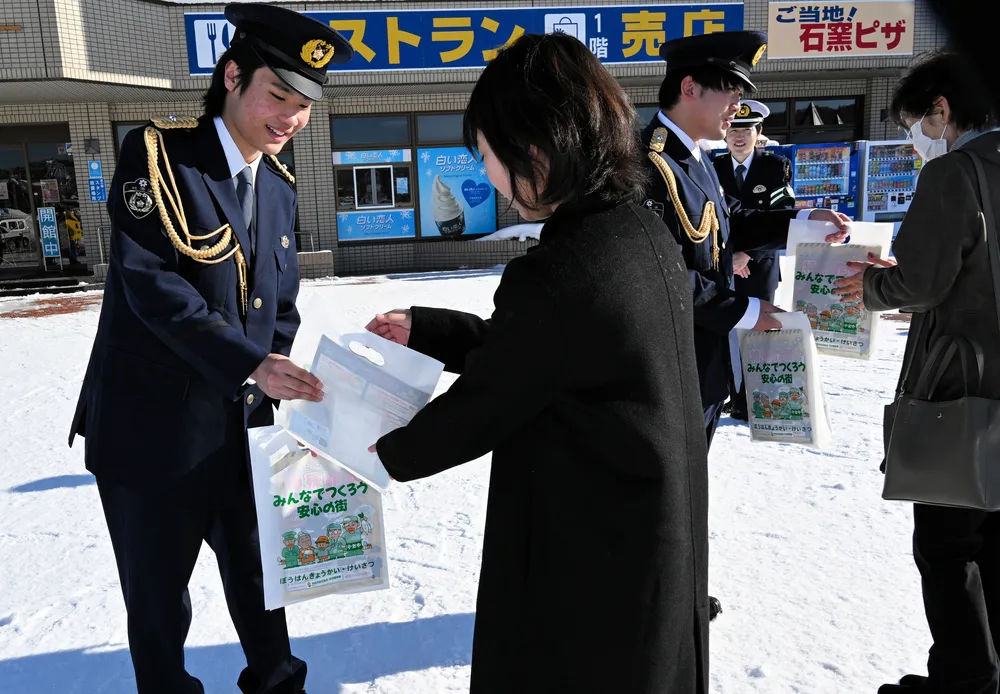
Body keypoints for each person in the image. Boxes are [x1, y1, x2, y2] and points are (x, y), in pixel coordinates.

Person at [367, 32, 711, 694]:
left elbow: (492, 399)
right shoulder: (639, 232)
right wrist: (430, 329)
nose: (488, 176)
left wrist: (376, 452)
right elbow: (546, 356)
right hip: (650, 541)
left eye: (488, 156)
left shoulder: (561, 272)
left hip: (590, 563)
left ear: (534, 152)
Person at [67, 4, 353, 693]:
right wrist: (250, 362)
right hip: (151, 435)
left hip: (242, 433)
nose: (290, 118)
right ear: (232, 76)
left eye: (305, 105)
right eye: (278, 95)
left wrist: (279, 370)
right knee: (160, 607)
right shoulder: (160, 155)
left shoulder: (278, 189)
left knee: (264, 587)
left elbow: (277, 305)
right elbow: (151, 283)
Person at [638, 30, 849, 622]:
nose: (739, 111)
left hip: (699, 362)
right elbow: (662, 279)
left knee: (686, 483)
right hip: (669, 360)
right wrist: (755, 312)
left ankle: (675, 587)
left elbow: (733, 223)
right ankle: (659, 596)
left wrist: (805, 221)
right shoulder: (648, 164)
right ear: (689, 87)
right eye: (730, 94)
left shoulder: (692, 156)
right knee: (667, 488)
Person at [833, 50, 1000, 694]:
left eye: (917, 121)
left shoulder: (956, 173)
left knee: (947, 544)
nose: (917, 136)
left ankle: (963, 679)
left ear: (942, 109)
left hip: (962, 391)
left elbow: (922, 282)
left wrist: (873, 286)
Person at [713, 99, 796, 420]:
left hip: (760, 267)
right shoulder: (713, 167)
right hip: (725, 264)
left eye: (746, 130)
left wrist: (748, 253)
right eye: (733, 129)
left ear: (758, 132)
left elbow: (779, 217)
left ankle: (753, 400)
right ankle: (730, 395)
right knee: (726, 329)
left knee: (758, 333)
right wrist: (731, 256)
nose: (738, 136)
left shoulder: (775, 166)